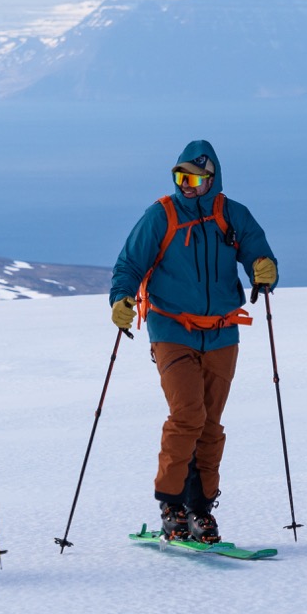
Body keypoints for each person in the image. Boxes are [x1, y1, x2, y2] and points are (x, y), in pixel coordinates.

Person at [110, 140, 278, 544]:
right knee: (188, 414)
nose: (186, 185)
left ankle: (200, 509)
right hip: (170, 329)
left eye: (194, 178)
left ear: (212, 178)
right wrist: (121, 298)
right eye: (180, 177)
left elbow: (259, 251)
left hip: (222, 331)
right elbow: (130, 263)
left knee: (211, 424)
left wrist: (264, 269)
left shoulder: (231, 215)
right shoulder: (161, 216)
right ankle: (170, 504)